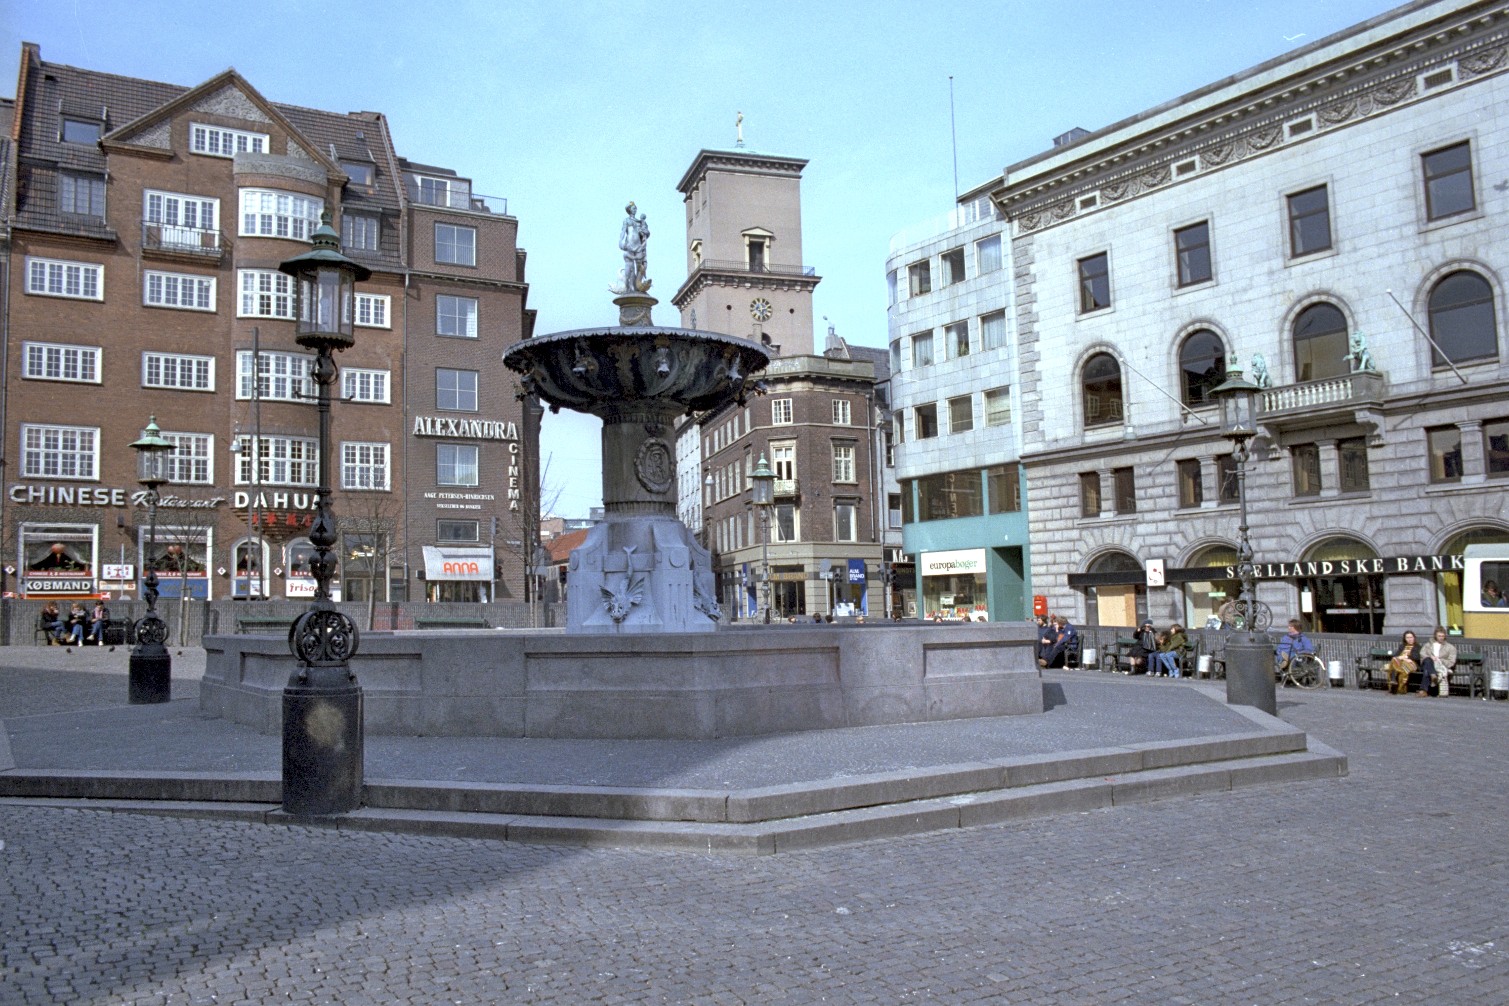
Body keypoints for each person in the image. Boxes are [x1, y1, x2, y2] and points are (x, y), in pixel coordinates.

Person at [1418, 626, 1456, 697]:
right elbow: (1422, 654)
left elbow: (1451, 661)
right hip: (1427, 663)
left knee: (1427, 670)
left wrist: (1439, 660)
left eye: (1442, 636)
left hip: (1440, 665)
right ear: (1435, 636)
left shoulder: (1450, 647)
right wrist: (1431, 657)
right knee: (1428, 660)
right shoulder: (1428, 645)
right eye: (1439, 636)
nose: (1441, 638)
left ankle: (1423, 690)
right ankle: (1433, 675)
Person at [1387, 630, 1421, 695]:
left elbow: (1416, 657)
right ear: (1405, 639)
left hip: (1413, 664)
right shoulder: (1402, 646)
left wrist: (1405, 658)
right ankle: (1401, 688)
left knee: (1397, 666)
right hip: (1401, 664)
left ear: (1414, 638)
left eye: (1411, 637)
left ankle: (1394, 682)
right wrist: (1403, 658)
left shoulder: (1417, 647)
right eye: (1407, 638)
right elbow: (1396, 656)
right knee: (1397, 662)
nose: (1409, 639)